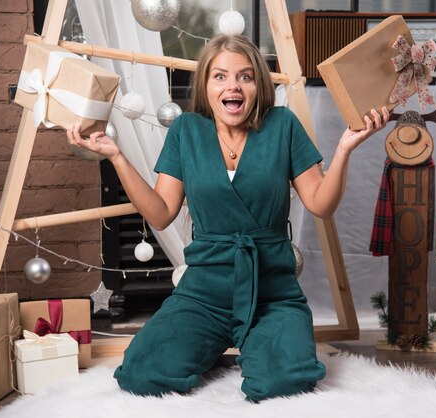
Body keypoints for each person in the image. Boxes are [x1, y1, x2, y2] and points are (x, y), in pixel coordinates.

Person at [67, 34, 389, 401]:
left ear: (258, 86)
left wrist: (345, 149)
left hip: (272, 292)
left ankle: (258, 346)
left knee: (284, 383)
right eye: (220, 76)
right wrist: (117, 157)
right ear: (205, 85)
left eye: (245, 77)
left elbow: (320, 204)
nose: (232, 85)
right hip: (204, 292)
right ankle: (218, 346)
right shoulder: (186, 131)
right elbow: (160, 214)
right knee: (141, 373)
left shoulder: (282, 125)